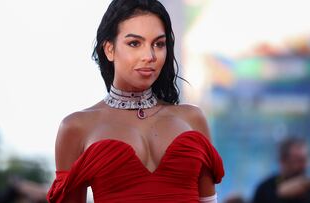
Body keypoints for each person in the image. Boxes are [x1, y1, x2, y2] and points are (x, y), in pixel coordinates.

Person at [46, 0, 224, 202]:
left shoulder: (192, 118)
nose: (149, 56)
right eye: (134, 43)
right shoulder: (77, 127)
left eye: (158, 44)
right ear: (109, 49)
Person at [253, 137, 310, 203]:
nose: (304, 165)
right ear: (283, 161)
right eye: (298, 161)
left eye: (304, 160)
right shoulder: (265, 189)